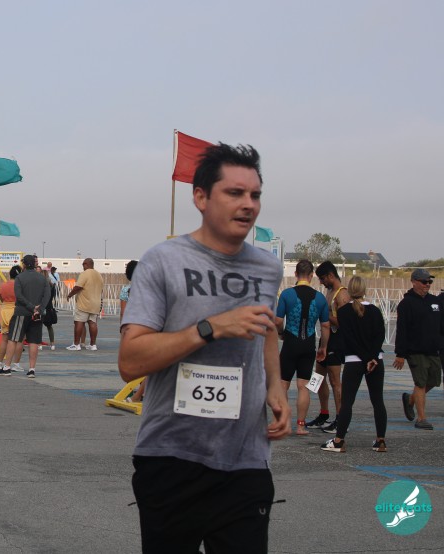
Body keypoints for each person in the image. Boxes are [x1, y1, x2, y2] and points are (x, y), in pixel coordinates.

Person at [119, 143, 288, 553]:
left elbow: (265, 327)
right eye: (234, 193)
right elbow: (130, 361)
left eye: (255, 195)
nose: (248, 204)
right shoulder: (162, 261)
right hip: (171, 457)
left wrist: (275, 385)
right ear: (200, 197)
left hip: (246, 459)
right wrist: (211, 328)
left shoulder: (267, 267)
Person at [320, 276, 388, 452]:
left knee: (347, 402)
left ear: (349, 291)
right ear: (364, 290)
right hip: (376, 360)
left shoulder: (343, 312)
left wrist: (365, 358)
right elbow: (380, 335)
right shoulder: (375, 311)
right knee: (378, 401)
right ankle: (381, 440)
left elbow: (349, 339)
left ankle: (339, 440)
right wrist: (372, 357)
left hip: (354, 360)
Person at [274, 260, 330, 436]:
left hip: (290, 343)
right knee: (303, 386)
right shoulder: (320, 298)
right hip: (308, 345)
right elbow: (326, 326)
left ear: (296, 274)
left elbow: (278, 321)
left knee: (283, 384)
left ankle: (282, 423)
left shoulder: (287, 294)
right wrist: (323, 346)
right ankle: (300, 426)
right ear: (312, 276)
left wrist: (281, 333)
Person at [393, 268, 442, 430]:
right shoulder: (406, 304)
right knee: (420, 383)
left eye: (429, 281)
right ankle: (421, 418)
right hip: (415, 351)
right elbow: (402, 330)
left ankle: (410, 399)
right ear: (414, 282)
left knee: (434, 381)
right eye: (424, 281)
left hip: (433, 350)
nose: (427, 284)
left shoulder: (435, 301)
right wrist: (400, 354)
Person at [307, 261, 349, 431]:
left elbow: (344, 322)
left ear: (331, 275)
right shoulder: (329, 292)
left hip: (337, 342)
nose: (321, 282)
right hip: (325, 341)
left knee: (335, 381)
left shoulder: (342, 294)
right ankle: (323, 414)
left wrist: (324, 315)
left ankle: (340, 418)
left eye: (323, 278)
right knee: (317, 378)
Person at [0, 254, 50, 377]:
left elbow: (19, 296)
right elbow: (47, 295)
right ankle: (32, 369)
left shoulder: (20, 278)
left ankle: (7, 367)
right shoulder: (42, 278)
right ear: (34, 264)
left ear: (24, 264)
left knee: (13, 339)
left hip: (21, 312)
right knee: (34, 341)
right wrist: (39, 309)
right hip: (37, 315)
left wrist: (30, 307)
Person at [119, 260, 146, 403]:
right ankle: (143, 391)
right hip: (147, 329)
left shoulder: (126, 290)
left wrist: (123, 331)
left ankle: (137, 392)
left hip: (132, 329)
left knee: (133, 363)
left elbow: (123, 313)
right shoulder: (148, 289)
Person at [0, 265, 25, 372]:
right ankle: (16, 364)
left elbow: (0, 298)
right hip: (17, 310)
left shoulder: (3, 285)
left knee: (5, 339)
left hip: (5, 311)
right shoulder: (20, 286)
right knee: (19, 339)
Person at [66, 258, 102, 350]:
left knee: (79, 322)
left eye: (83, 264)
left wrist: (70, 295)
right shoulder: (99, 275)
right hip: (95, 304)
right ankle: (93, 345)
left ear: (86, 264)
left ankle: (76, 344)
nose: (83, 267)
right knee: (92, 323)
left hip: (84, 303)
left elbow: (78, 286)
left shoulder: (85, 273)